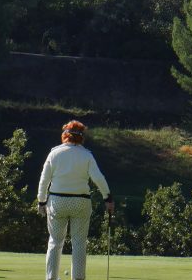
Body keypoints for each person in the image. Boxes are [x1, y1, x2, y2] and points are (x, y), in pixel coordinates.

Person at [37, 120, 113, 280]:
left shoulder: (54, 153)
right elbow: (98, 178)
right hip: (81, 202)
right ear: (81, 137)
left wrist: (41, 201)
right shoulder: (86, 155)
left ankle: (51, 278)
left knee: (55, 242)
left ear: (65, 135)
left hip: (57, 202)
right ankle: (78, 278)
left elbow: (44, 180)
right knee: (79, 243)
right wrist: (108, 197)